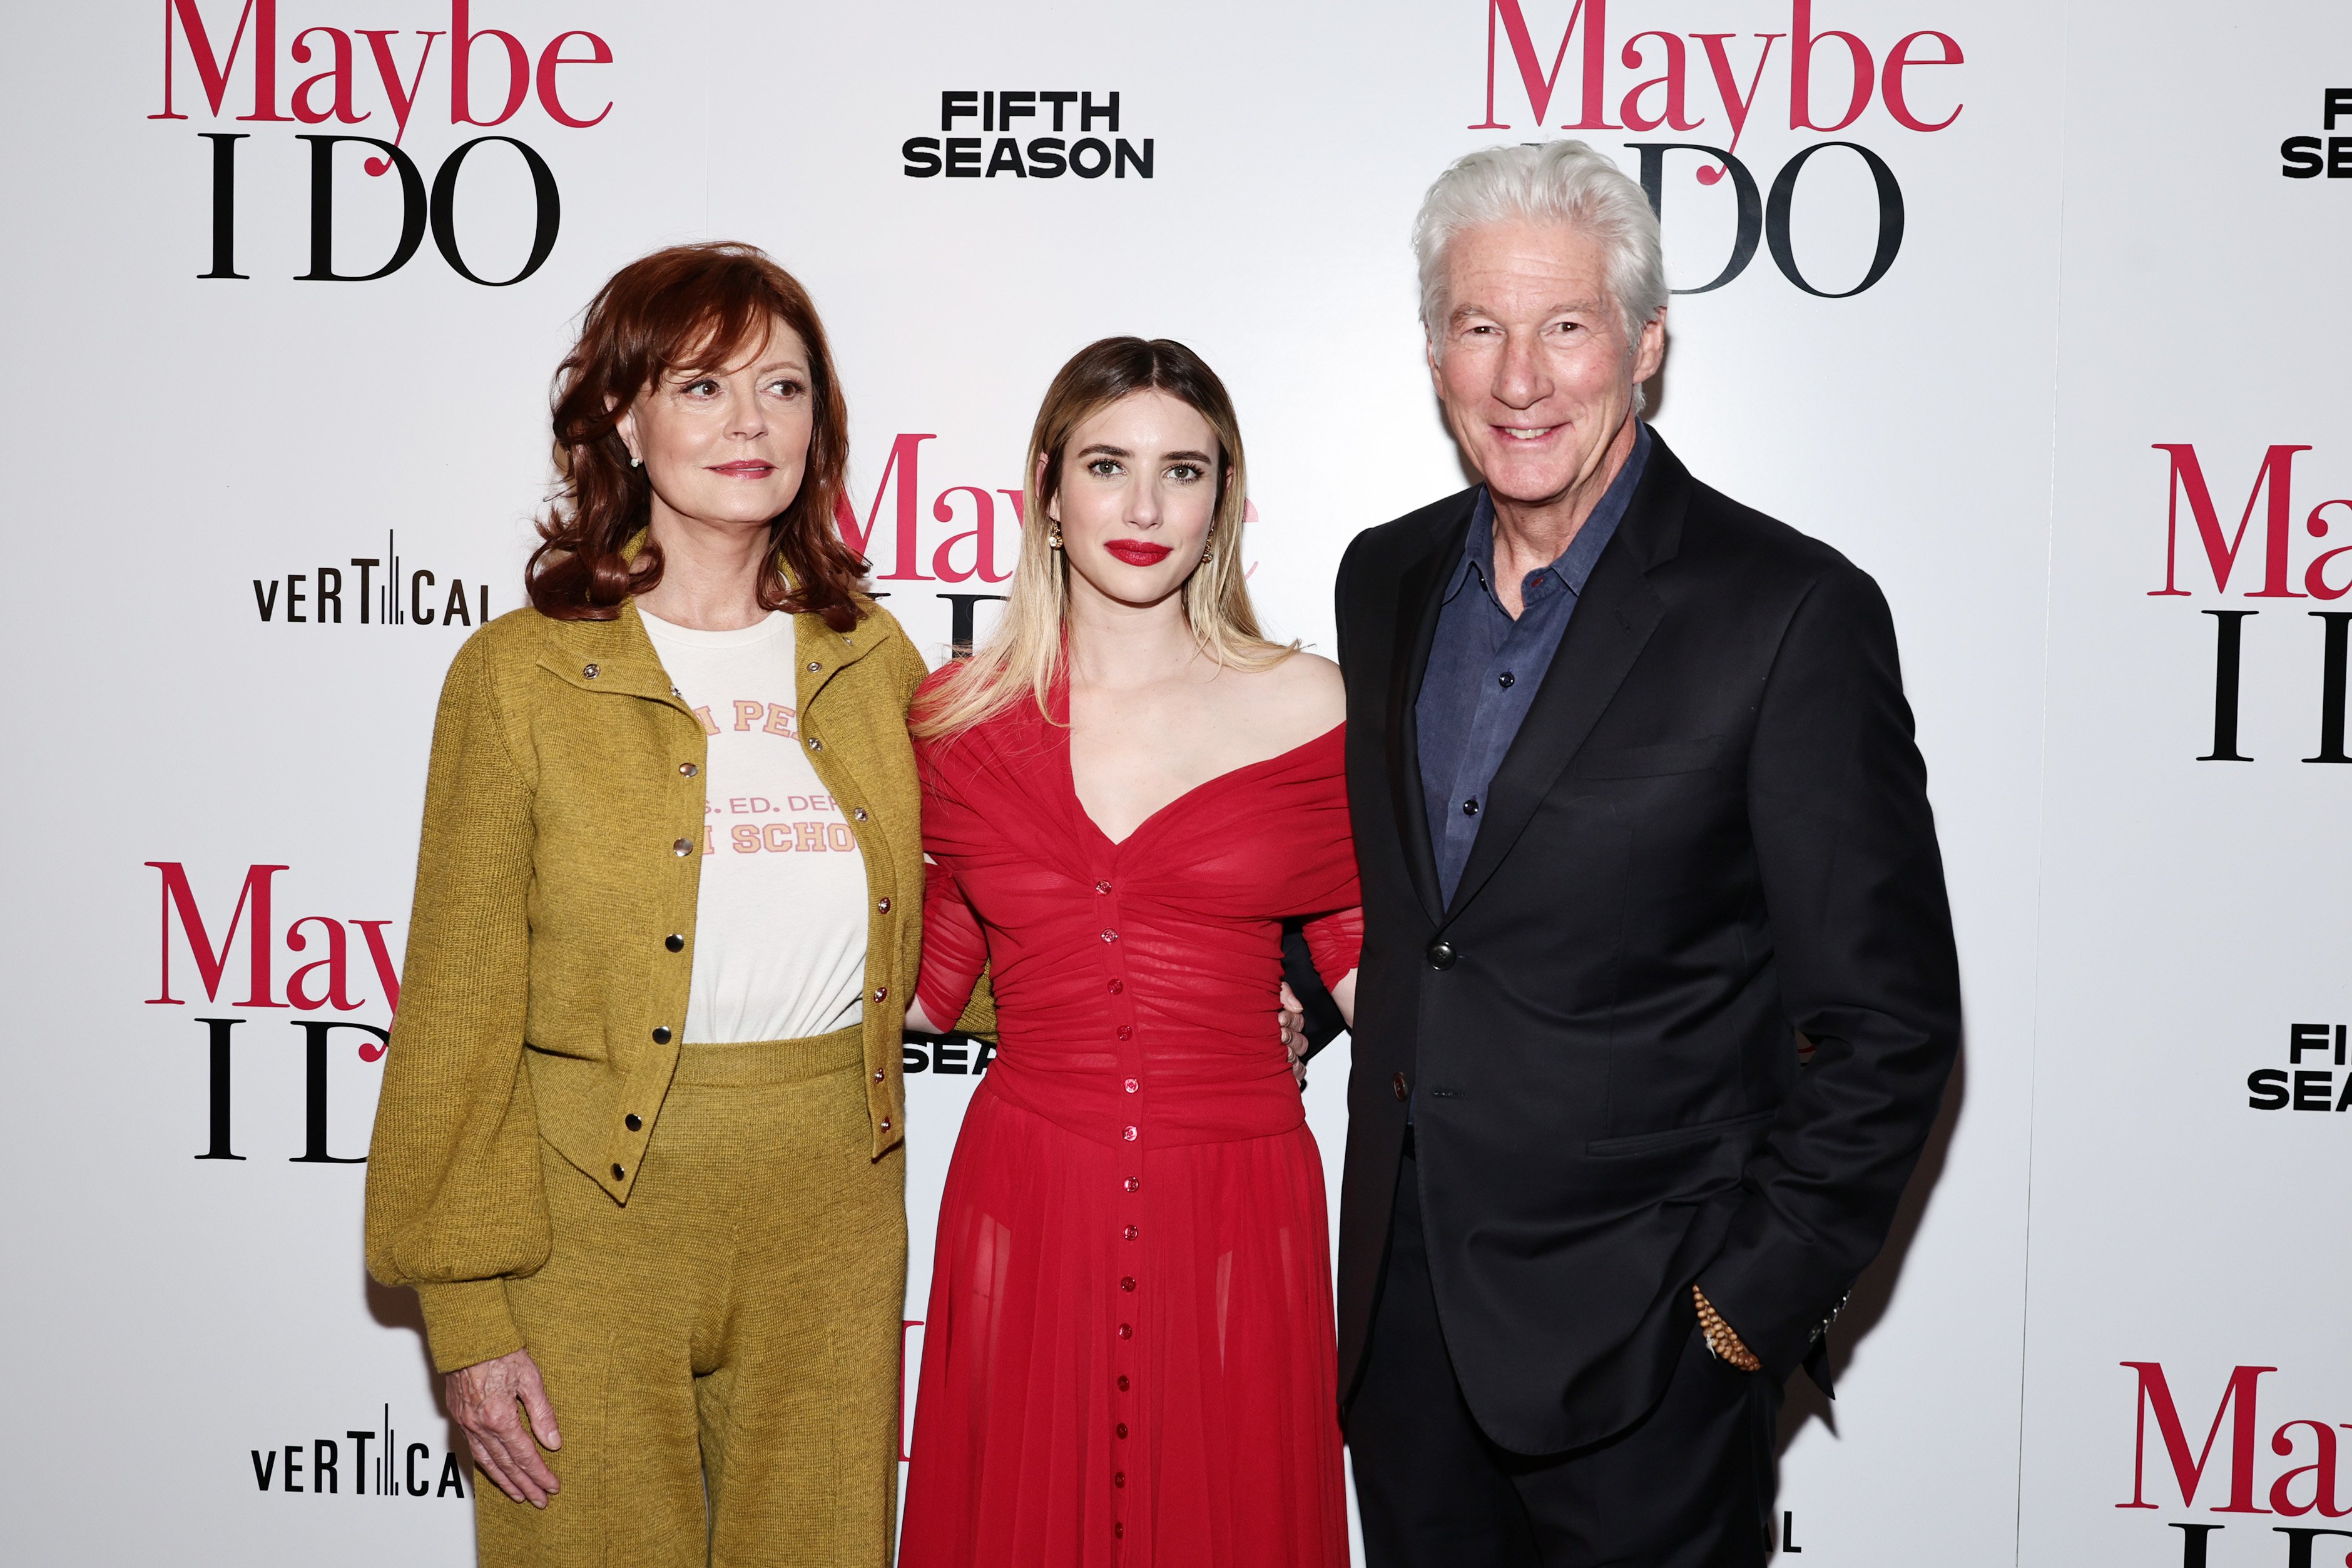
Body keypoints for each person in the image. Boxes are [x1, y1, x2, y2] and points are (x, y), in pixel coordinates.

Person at [1332, 141, 1962, 1567]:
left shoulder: (1787, 612)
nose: (1518, 377)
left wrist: (1738, 1312)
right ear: (1432, 350)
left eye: (1564, 326)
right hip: (1404, 1330)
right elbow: (1422, 912)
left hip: (1645, 1349)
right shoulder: (1381, 578)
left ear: (1646, 343)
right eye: (1478, 327)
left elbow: (1887, 1025)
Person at [365, 242, 952, 1567]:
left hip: (832, 1220)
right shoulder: (516, 677)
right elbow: (459, 1004)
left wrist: (1190, 987)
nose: (751, 422)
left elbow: (963, 929)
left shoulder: (874, 659)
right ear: (625, 416)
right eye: (703, 384)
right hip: (589, 1228)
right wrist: (467, 1313)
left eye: (784, 387)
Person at [897, 337, 1358, 1568]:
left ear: (1224, 503)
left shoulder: (1310, 706)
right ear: (1048, 489)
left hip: (1238, 1194)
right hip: (1028, 1187)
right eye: (1108, 465)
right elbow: (918, 983)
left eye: (1182, 470)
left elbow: (1391, 958)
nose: (1144, 506)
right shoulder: (952, 717)